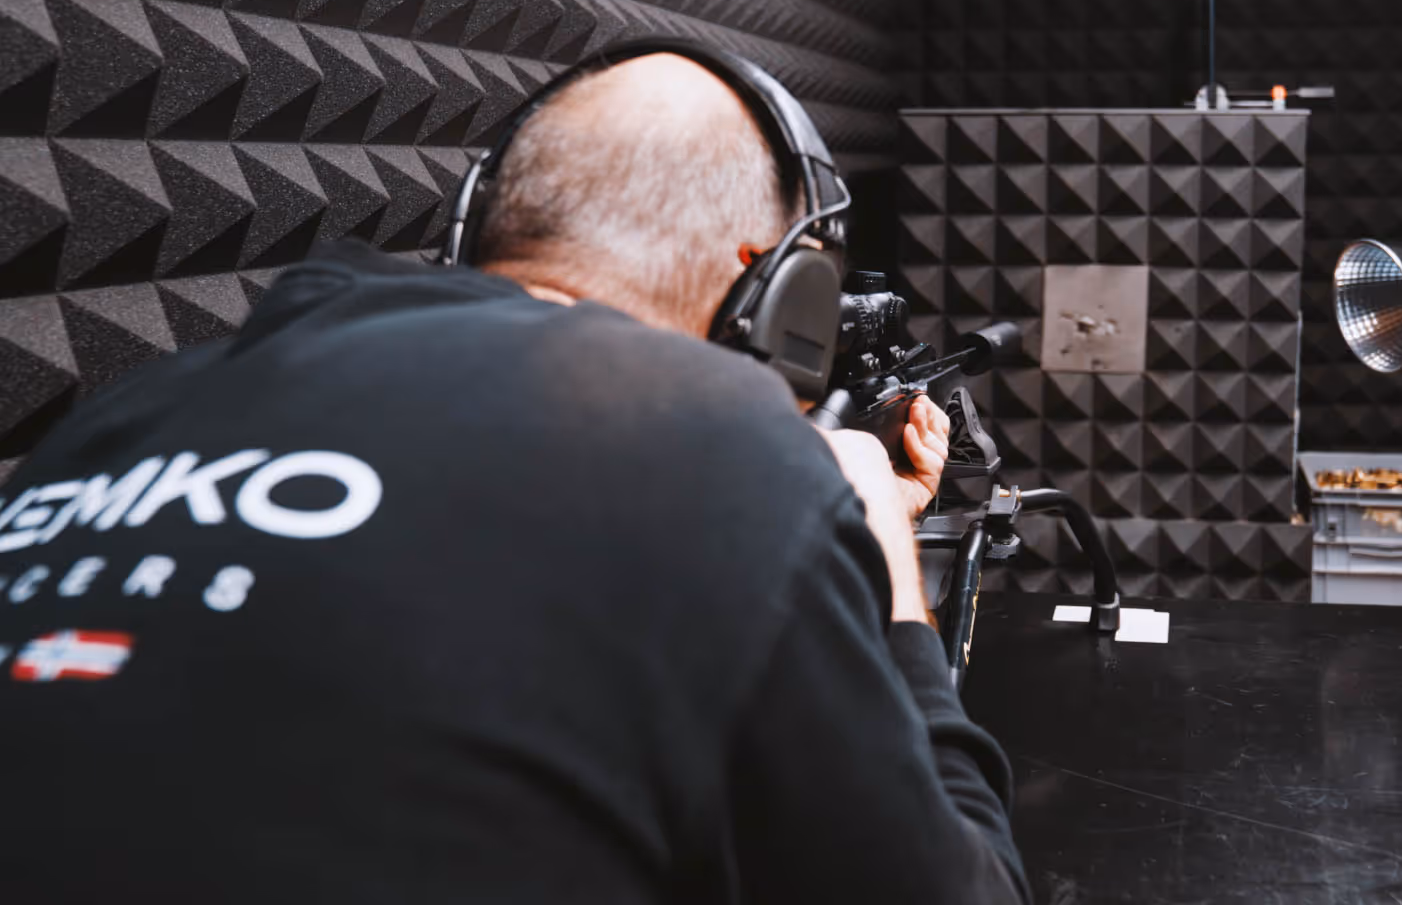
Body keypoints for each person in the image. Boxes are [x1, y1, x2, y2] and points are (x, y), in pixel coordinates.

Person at [0, 52, 1030, 903]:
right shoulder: (722, 438)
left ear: (472, 228)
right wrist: (883, 567)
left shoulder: (122, 416)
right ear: (779, 284)